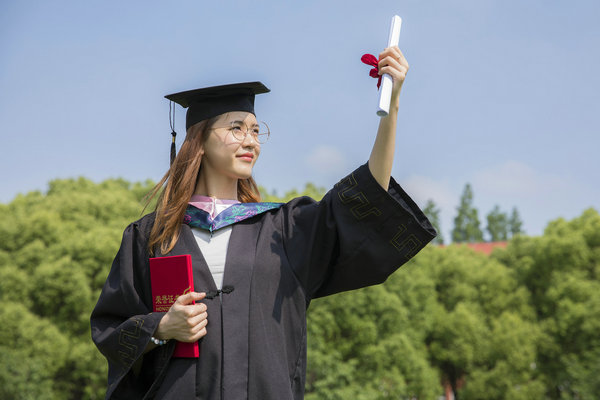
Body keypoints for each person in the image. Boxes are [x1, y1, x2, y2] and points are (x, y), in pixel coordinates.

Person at [90, 46, 437, 399]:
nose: (250, 141)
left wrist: (390, 107)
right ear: (200, 140)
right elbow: (110, 329)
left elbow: (365, 197)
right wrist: (161, 327)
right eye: (237, 128)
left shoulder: (283, 229)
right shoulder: (150, 236)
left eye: (256, 131)